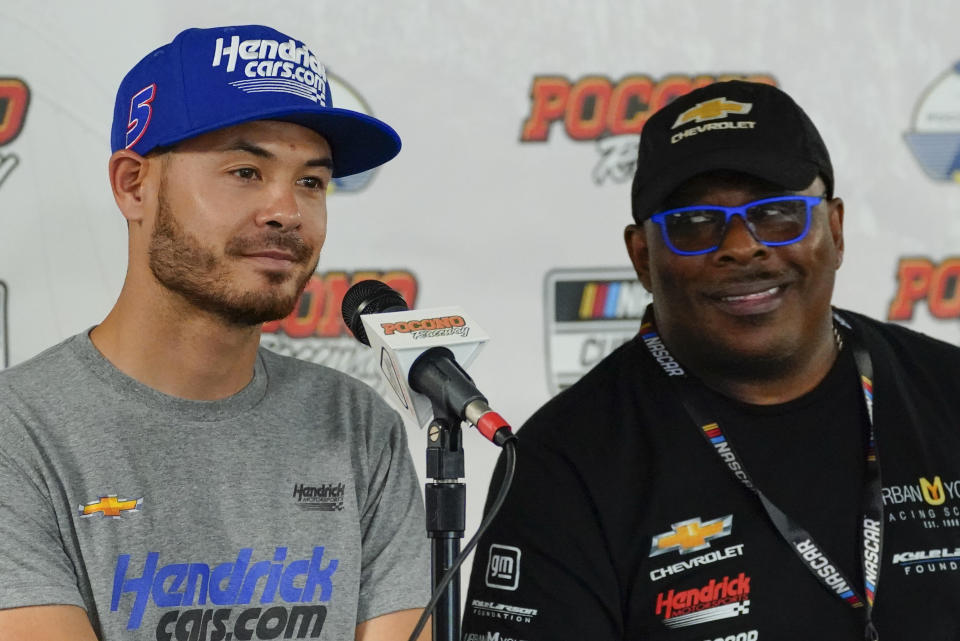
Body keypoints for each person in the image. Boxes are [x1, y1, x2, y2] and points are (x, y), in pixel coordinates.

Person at [462, 80, 960, 640]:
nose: (742, 245)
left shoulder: (948, 391)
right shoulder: (560, 464)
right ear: (642, 258)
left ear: (836, 231)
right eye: (695, 224)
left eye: (777, 214)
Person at [0, 25, 430, 641]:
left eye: (311, 181)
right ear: (133, 184)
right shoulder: (16, 433)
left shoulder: (358, 426)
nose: (286, 210)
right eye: (246, 171)